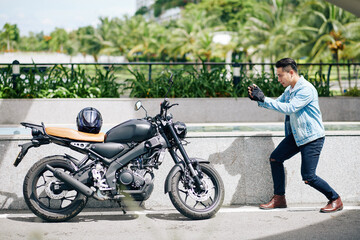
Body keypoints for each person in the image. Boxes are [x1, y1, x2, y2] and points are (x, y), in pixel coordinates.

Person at [247, 58, 343, 213]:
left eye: (280, 75)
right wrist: (259, 99)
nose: (278, 79)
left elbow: (290, 108)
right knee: (275, 158)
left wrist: (264, 99)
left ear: (291, 72)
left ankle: (335, 199)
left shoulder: (306, 89)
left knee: (308, 177)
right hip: (298, 135)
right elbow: (278, 103)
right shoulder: (290, 89)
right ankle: (279, 198)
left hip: (312, 137)